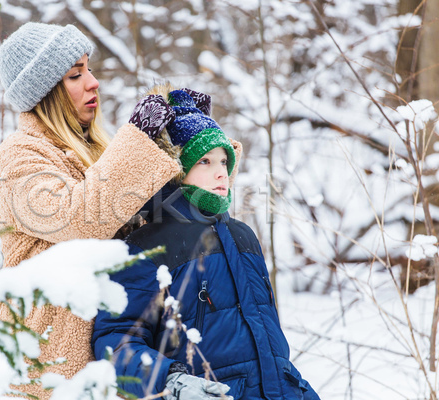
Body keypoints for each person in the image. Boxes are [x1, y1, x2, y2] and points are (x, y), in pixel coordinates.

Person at [0, 23, 184, 399]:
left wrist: (188, 143)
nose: (93, 82)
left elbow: (169, 223)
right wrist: (139, 140)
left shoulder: (100, 149)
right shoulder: (19, 157)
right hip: (50, 375)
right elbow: (80, 219)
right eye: (75, 75)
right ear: (46, 93)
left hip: (121, 357)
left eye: (89, 69)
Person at [92, 87, 320, 400]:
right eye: (204, 161)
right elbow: (115, 341)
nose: (220, 172)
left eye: (224, 160)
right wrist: (170, 379)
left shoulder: (243, 236)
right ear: (175, 170)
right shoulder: (146, 246)